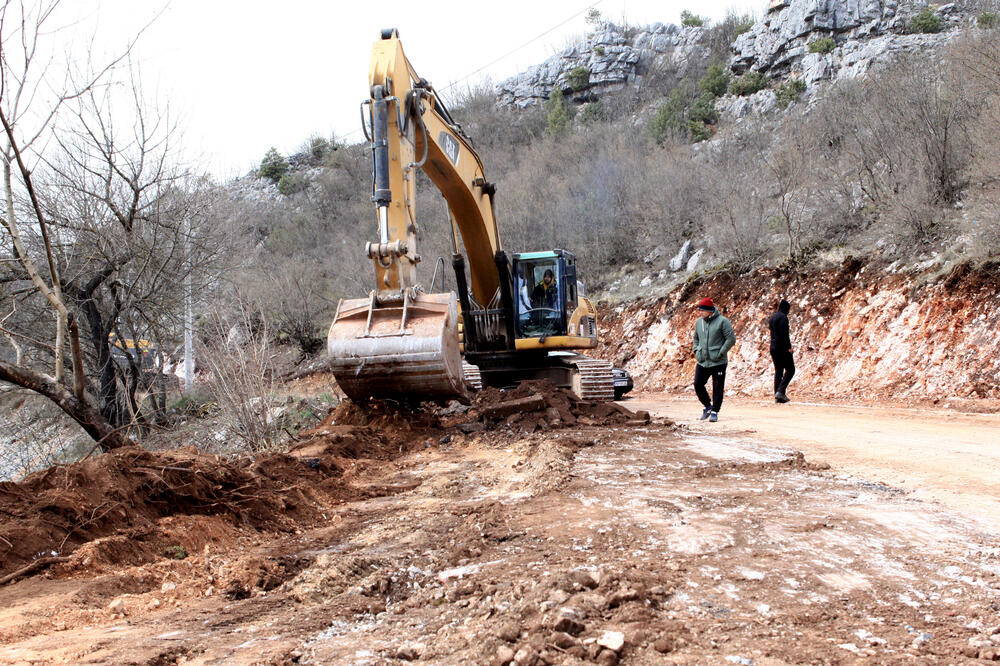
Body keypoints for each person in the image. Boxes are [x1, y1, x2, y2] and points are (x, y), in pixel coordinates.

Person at [692, 296, 736, 422]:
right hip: (703, 360)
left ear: (710, 310)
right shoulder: (699, 322)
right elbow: (695, 338)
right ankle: (708, 406)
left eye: (702, 310)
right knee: (698, 384)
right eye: (699, 310)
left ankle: (715, 411)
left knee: (717, 388)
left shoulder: (723, 321)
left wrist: (720, 353)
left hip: (718, 361)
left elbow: (731, 339)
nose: (700, 312)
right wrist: (696, 351)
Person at [769, 298, 795, 403]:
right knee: (791, 369)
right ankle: (780, 391)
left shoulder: (773, 317)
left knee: (778, 371)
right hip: (782, 348)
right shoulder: (783, 318)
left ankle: (777, 396)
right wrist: (789, 347)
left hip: (773, 347)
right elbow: (784, 334)